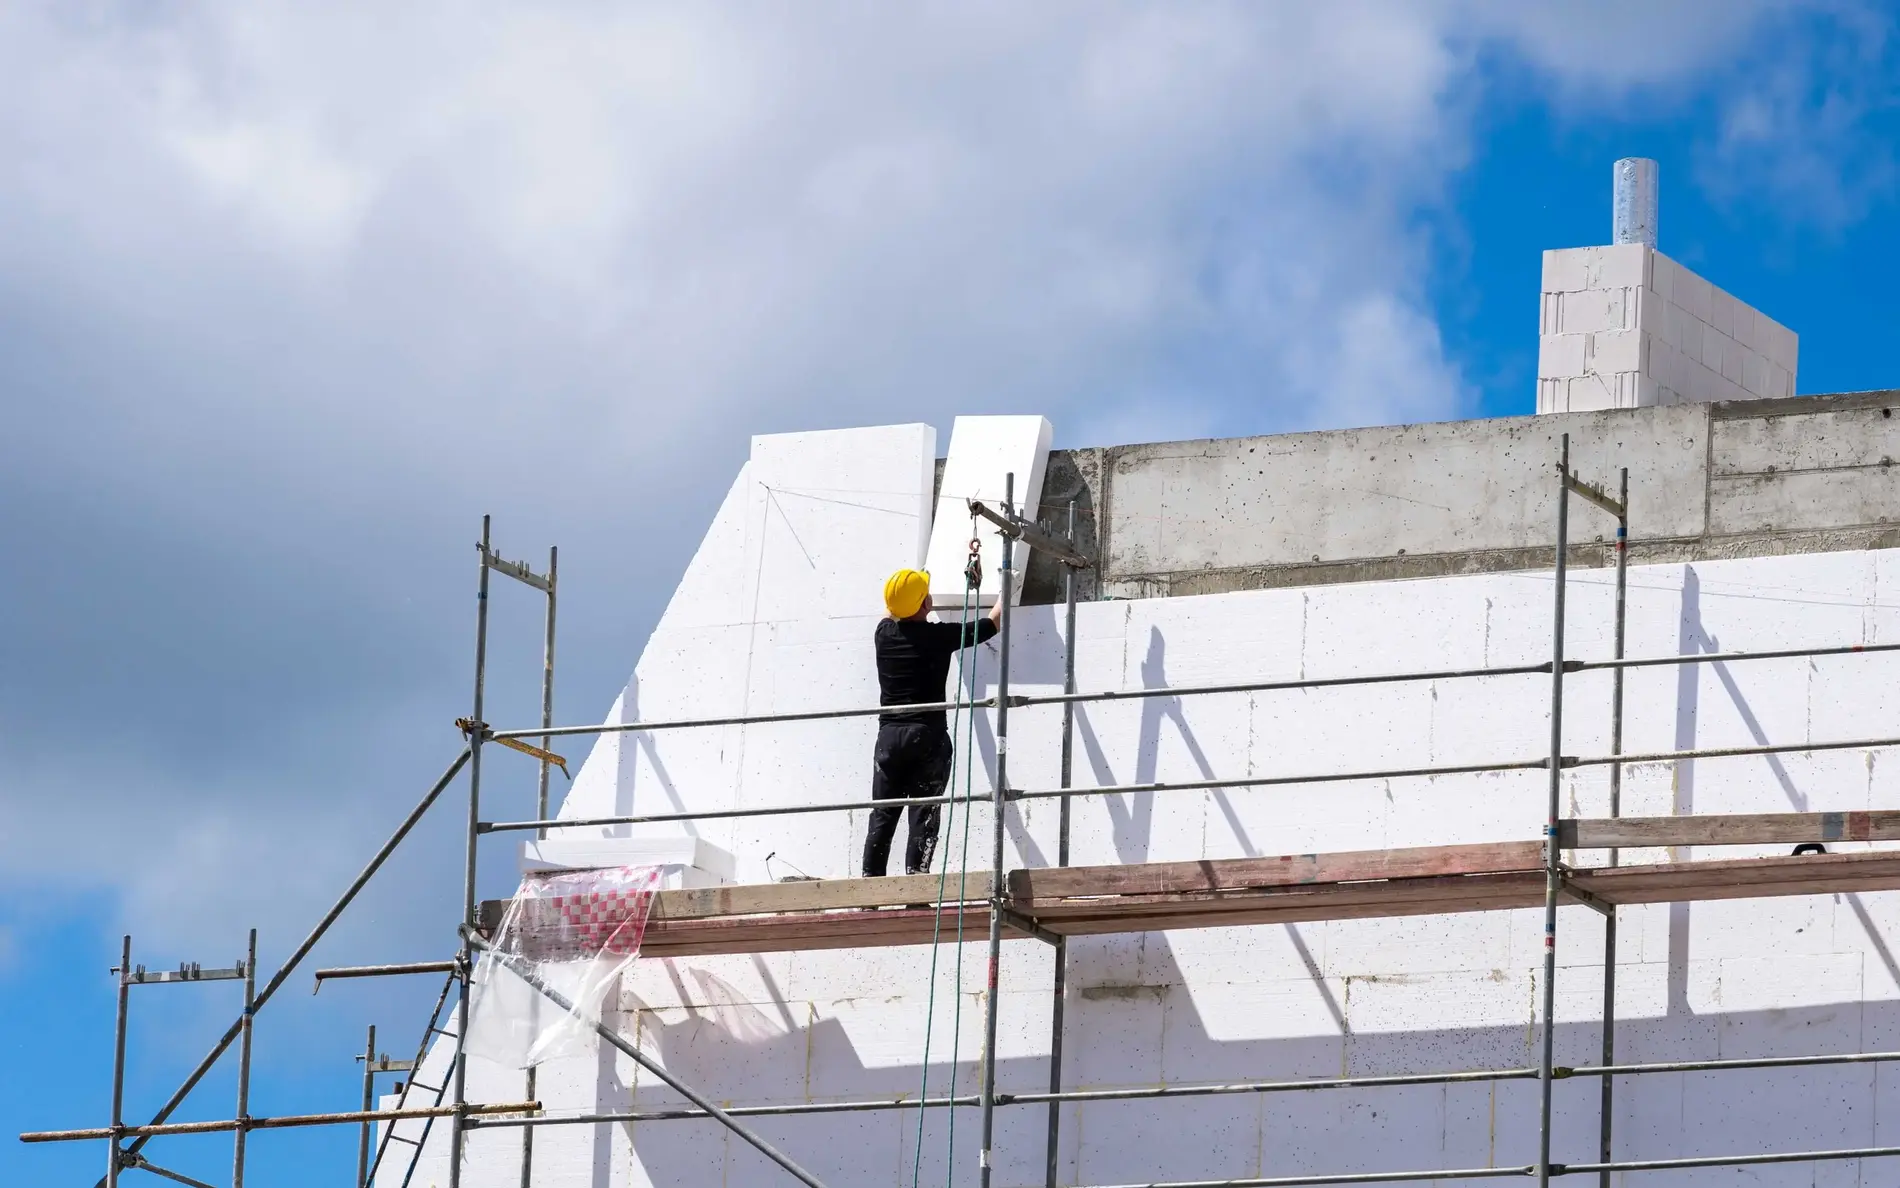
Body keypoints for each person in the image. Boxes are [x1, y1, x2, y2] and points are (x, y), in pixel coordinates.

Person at [863, 567, 1004, 878]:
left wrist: (909, 592)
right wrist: (1007, 589)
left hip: (889, 738)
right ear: (925, 605)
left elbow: (892, 610)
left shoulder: (883, 635)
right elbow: (990, 625)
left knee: (883, 814)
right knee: (924, 814)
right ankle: (917, 884)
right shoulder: (938, 637)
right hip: (927, 737)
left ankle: (869, 888)